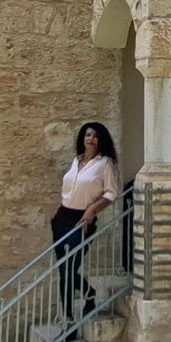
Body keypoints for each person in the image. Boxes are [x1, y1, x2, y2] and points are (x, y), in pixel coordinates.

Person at [53, 122, 119, 321]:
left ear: (101, 140)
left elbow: (112, 193)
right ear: (83, 138)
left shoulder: (105, 163)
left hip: (82, 220)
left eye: (95, 136)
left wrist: (92, 209)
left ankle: (70, 319)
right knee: (64, 270)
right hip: (61, 218)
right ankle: (85, 298)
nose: (91, 138)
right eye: (88, 134)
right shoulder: (77, 160)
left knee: (69, 268)